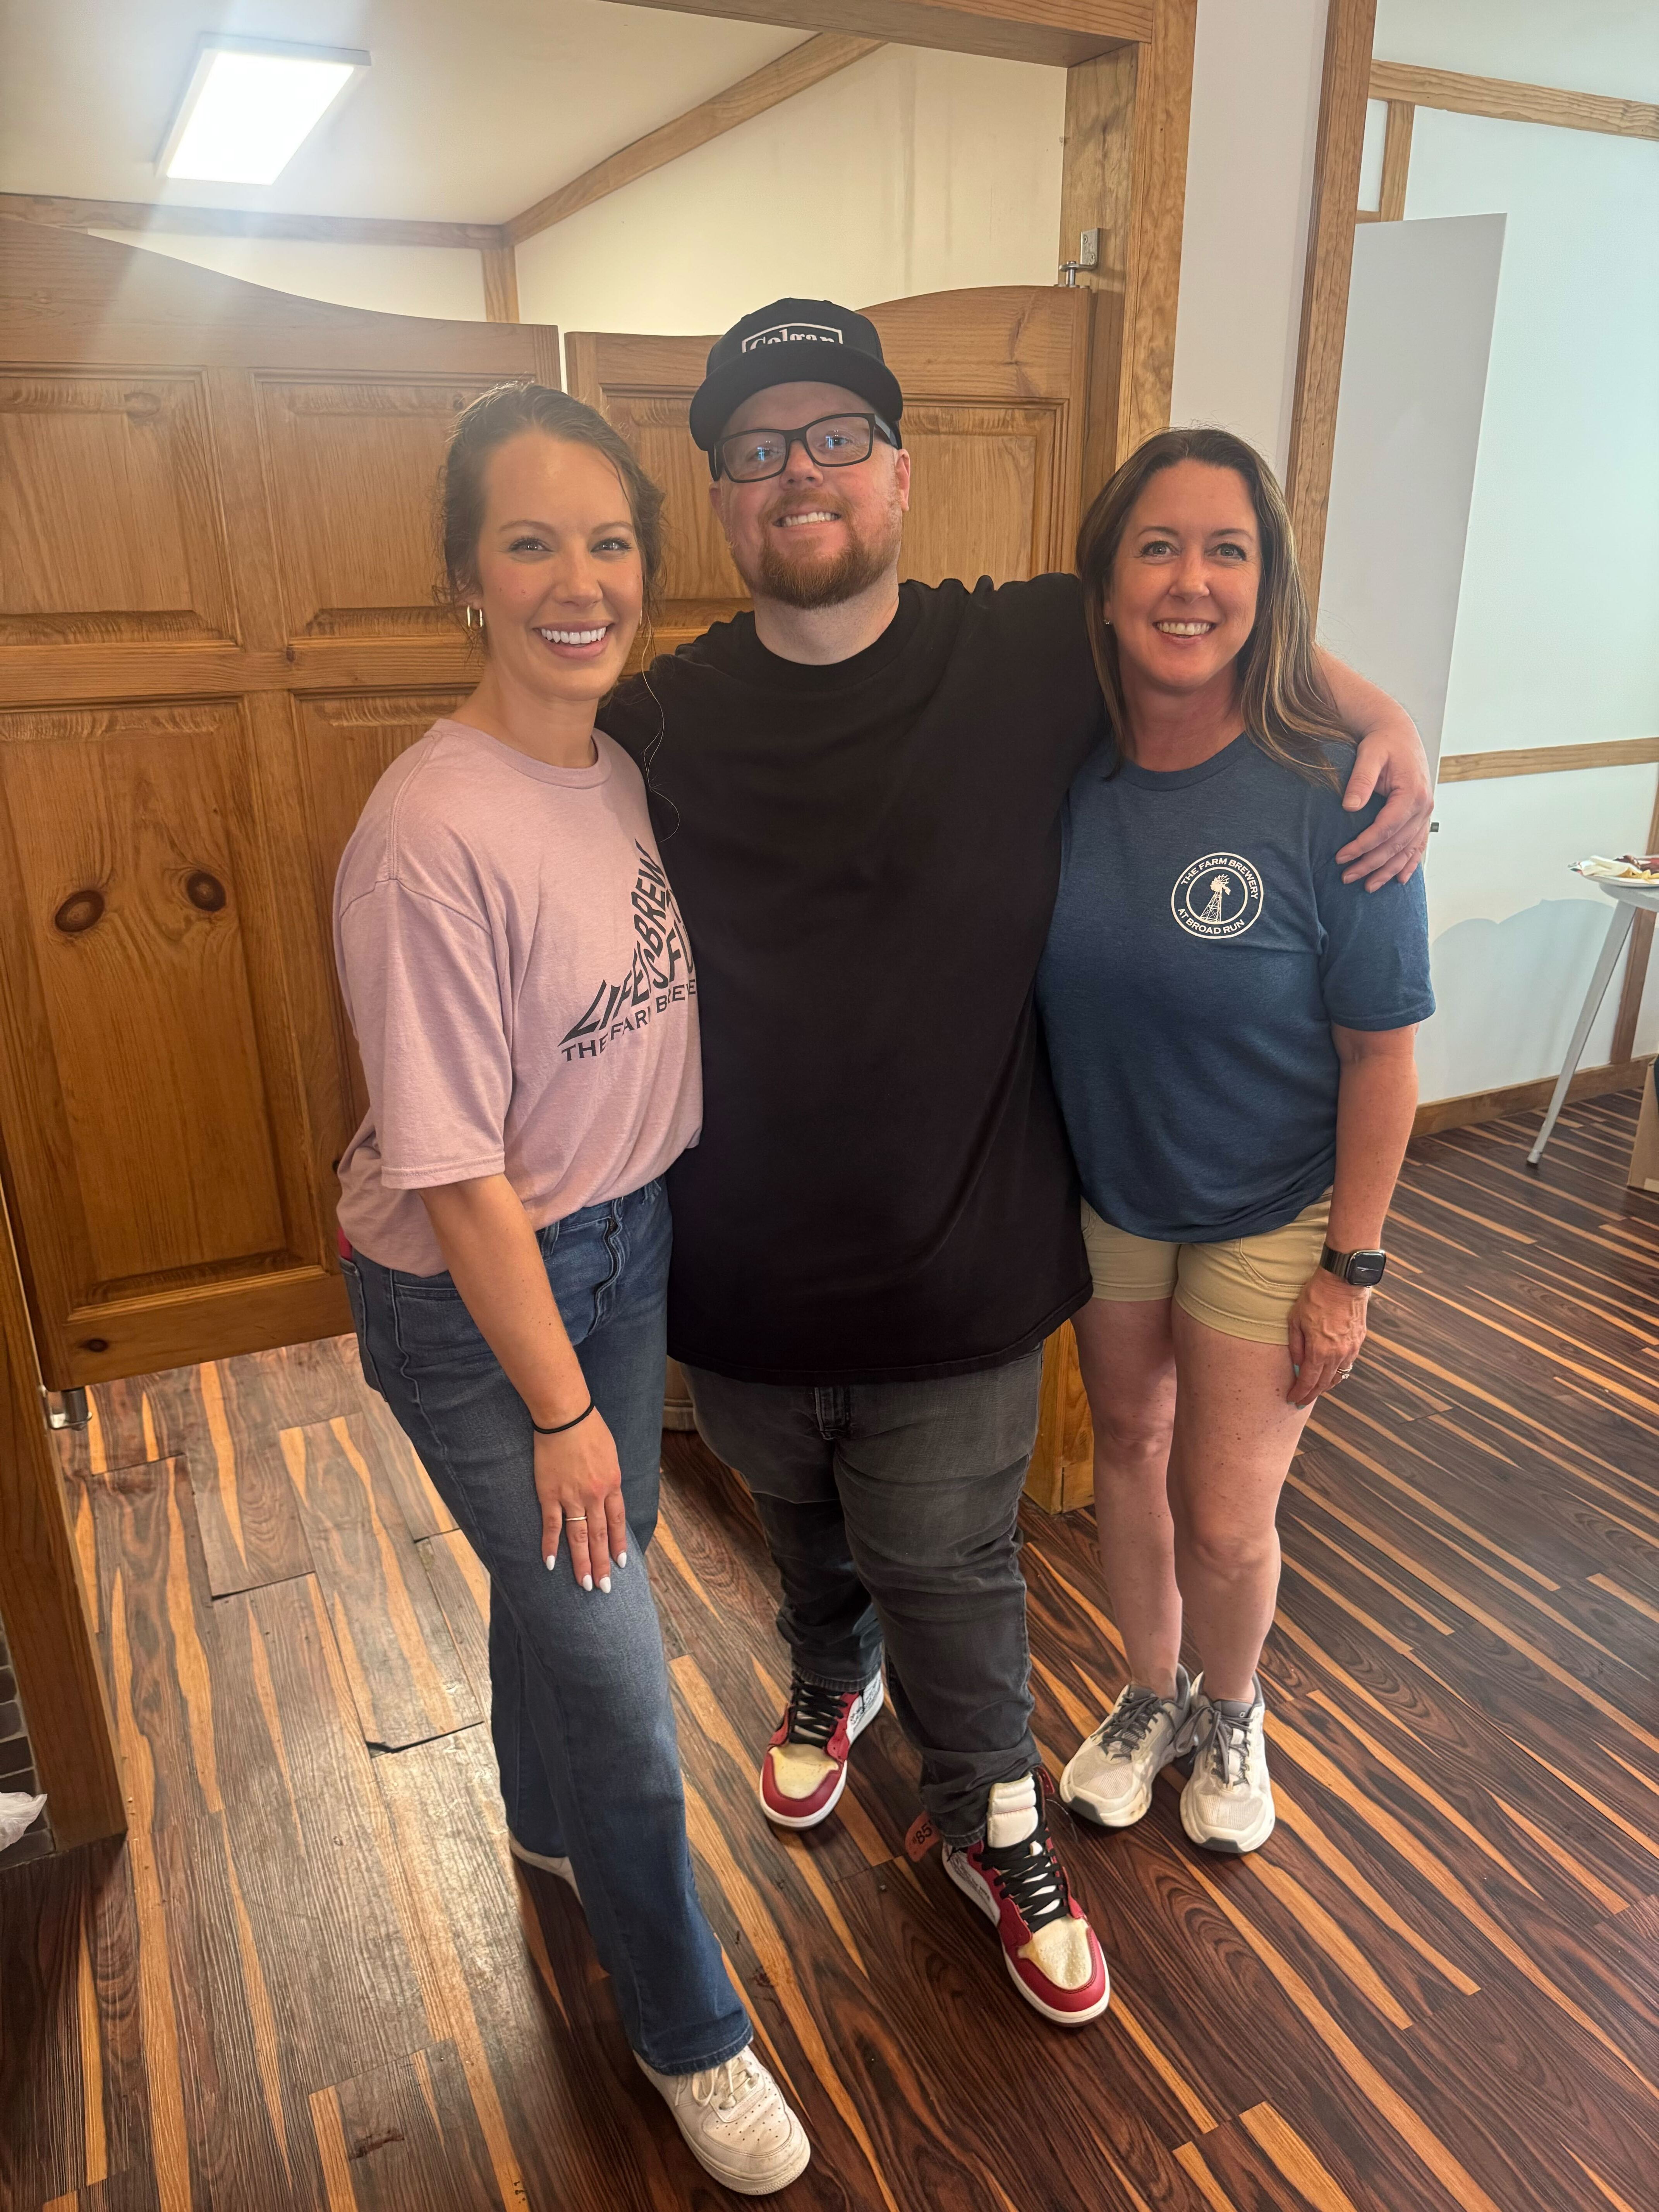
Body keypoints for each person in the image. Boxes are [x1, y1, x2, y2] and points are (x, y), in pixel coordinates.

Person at [596, 299, 1434, 2028]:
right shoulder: (658, 718)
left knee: (958, 1568)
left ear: (901, 473)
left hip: (964, 1261)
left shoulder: (1021, 646)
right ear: (722, 498)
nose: (801, 472)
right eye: (758, 448)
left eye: (838, 437)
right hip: (738, 1267)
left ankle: (995, 1819)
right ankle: (828, 1677)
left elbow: (1212, 622)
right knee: (802, 1530)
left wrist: (1389, 723)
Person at [331, 384, 810, 2195]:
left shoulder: (611, 768)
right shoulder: (428, 832)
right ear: (465, 575)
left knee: (561, 1597)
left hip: (623, 1246)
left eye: (609, 541)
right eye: (530, 543)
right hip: (485, 1303)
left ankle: (540, 1827)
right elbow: (454, 1174)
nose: (578, 580)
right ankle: (691, 2035)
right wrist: (557, 1412)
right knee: (620, 1668)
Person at [1040, 426, 1433, 1856]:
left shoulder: (1336, 793)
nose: (1189, 582)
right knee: (1129, 1451)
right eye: (1157, 548)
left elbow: (1381, 1055)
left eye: (1227, 551)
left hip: (1270, 1211)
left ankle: (1232, 1706)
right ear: (1105, 583)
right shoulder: (1063, 764)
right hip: (1111, 1198)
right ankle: (1148, 1694)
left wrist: (1353, 1269)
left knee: (1221, 1513)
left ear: (1270, 585)